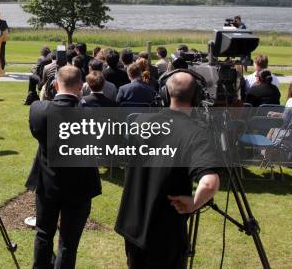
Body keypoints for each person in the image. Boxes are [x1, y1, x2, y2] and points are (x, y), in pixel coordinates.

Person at [115, 71, 220, 268]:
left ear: (164, 94)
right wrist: (195, 203)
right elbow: (209, 183)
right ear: (196, 97)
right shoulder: (195, 134)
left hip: (133, 224)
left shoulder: (140, 123)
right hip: (165, 233)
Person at [28, 65, 101, 268]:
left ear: (55, 84)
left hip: (48, 182)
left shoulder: (38, 110)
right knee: (68, 243)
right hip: (79, 185)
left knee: (43, 234)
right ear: (81, 86)